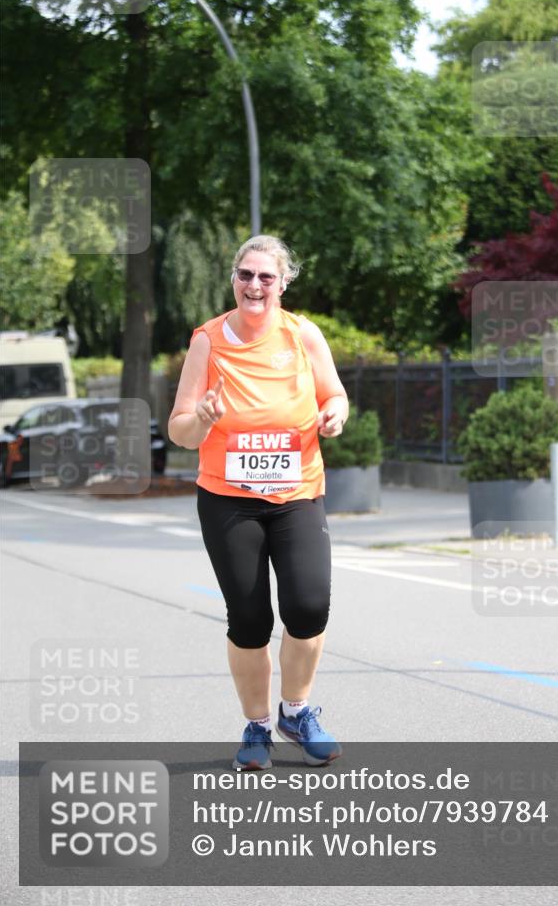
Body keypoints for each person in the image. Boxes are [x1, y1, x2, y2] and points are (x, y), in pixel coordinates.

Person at [168, 235, 349, 770]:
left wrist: (335, 414)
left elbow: (334, 393)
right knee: (249, 617)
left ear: (283, 283)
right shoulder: (207, 341)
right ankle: (257, 726)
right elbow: (179, 430)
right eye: (245, 274)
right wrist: (202, 418)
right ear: (234, 279)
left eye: (266, 276)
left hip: (297, 494)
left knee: (309, 605)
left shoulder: (302, 334)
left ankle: (296, 712)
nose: (254, 285)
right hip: (228, 500)